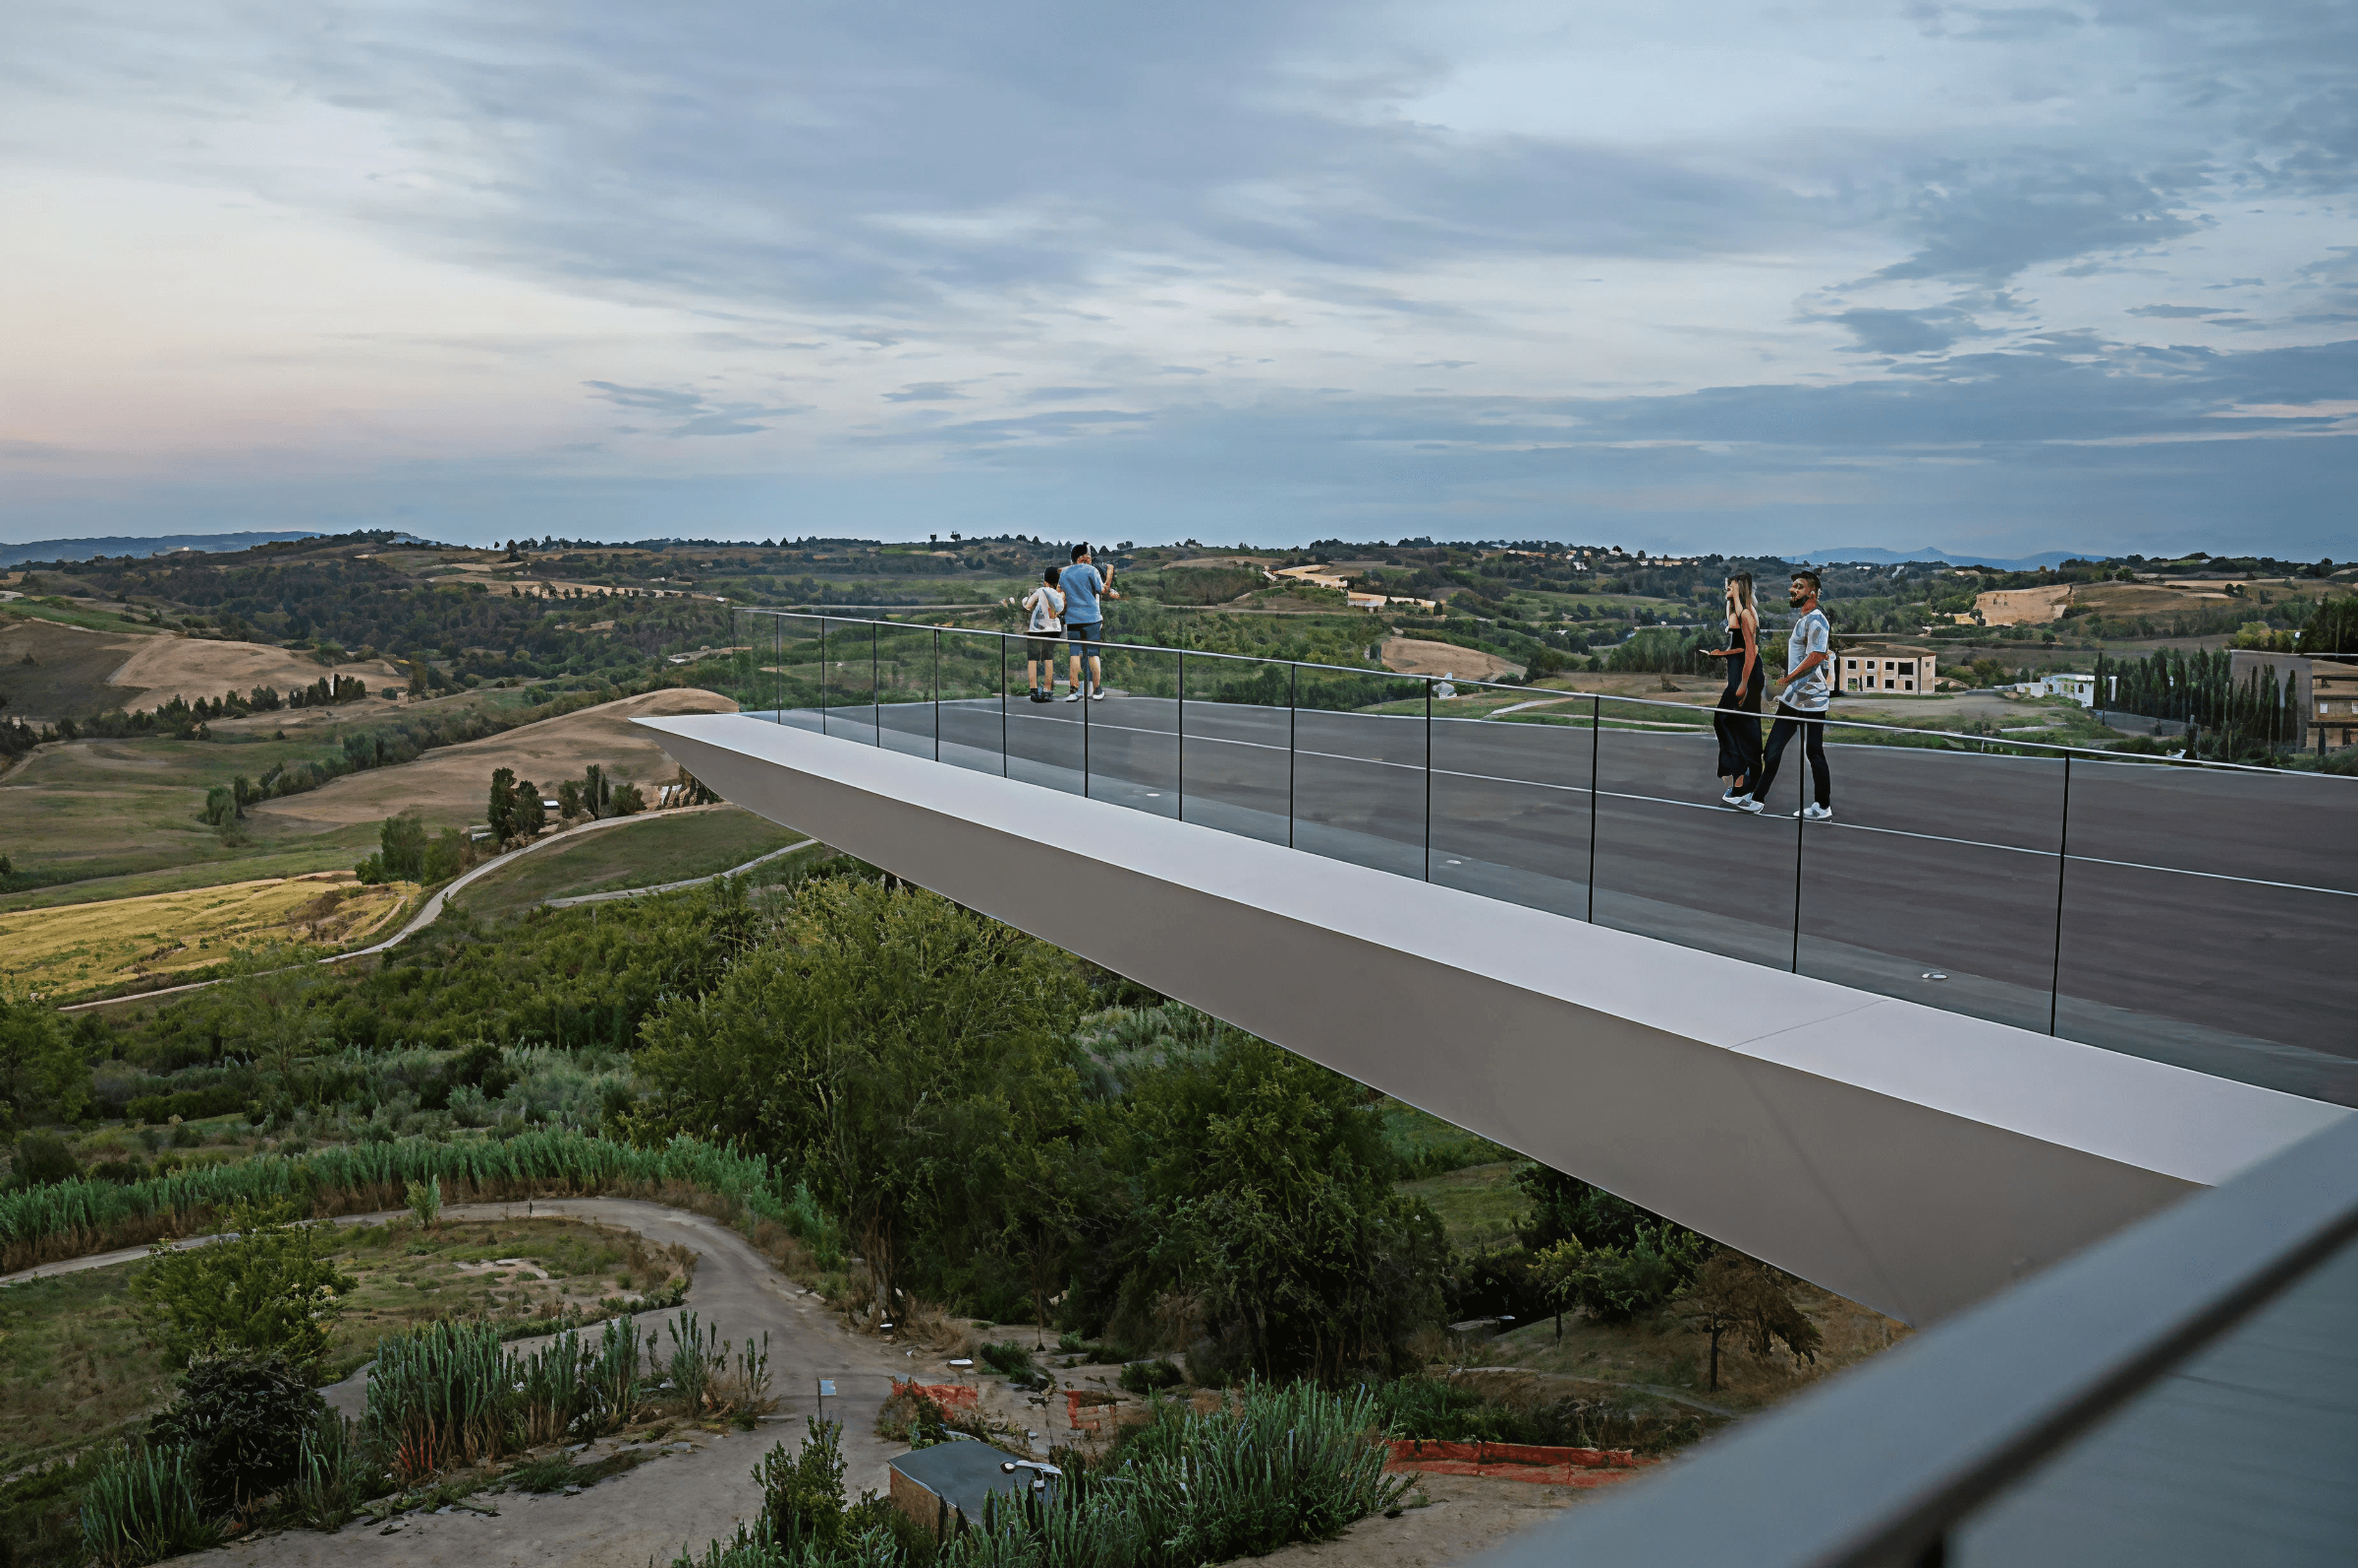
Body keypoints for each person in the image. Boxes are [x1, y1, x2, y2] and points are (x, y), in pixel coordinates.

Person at [1734, 570, 1834, 819]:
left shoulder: (1818, 620)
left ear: (1812, 592)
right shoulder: (1804, 620)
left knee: (1814, 753)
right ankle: (1757, 799)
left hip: (1813, 700)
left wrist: (1788, 679)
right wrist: (1788, 685)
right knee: (1773, 751)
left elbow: (1817, 656)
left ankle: (1823, 806)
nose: (1792, 590)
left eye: (1798, 587)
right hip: (1793, 698)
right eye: (1793, 586)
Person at [1704, 573, 1763, 805]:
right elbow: (1739, 647)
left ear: (1740, 588)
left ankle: (1744, 781)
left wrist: (1742, 685)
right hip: (1738, 672)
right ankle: (1739, 777)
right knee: (1728, 722)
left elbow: (1752, 652)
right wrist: (1723, 654)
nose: (1726, 588)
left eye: (1730, 586)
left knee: (1735, 724)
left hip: (1745, 676)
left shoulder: (1747, 614)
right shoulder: (1739, 612)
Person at [1057, 542, 1120, 702]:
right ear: (1084, 557)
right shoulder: (1091, 570)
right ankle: (1097, 690)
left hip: (1072, 619)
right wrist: (1110, 581)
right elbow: (1101, 590)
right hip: (1092, 618)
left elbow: (1061, 593)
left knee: (1074, 654)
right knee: (1093, 654)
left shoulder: (1064, 574)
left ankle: (1073, 691)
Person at [1019, 567, 1065, 702]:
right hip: (1054, 630)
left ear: (1045, 582)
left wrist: (1024, 601)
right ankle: (1047, 691)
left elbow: (1028, 606)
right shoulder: (1060, 595)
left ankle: (1034, 690)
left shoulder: (1041, 591)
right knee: (1048, 658)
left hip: (1037, 630)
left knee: (1032, 659)